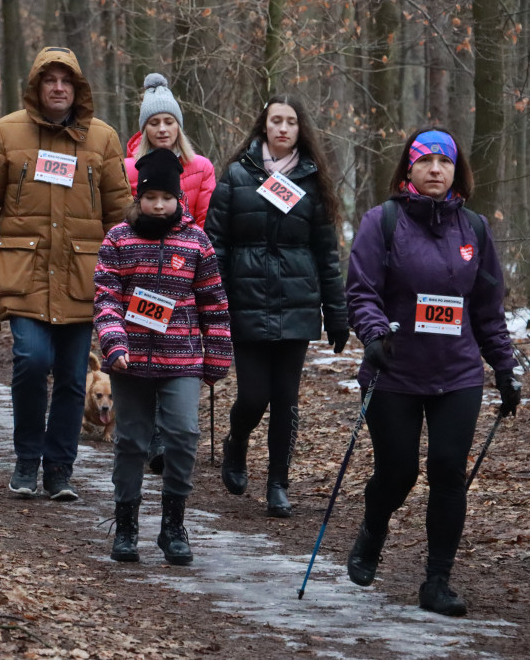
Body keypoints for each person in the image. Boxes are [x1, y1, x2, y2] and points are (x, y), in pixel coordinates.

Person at [344, 127, 521, 616]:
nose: (435, 170)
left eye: (444, 163)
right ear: (409, 169)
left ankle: (437, 581)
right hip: (395, 371)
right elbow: (361, 291)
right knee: (397, 473)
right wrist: (375, 334)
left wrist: (505, 370)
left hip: (458, 374)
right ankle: (372, 529)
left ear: (455, 171)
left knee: (447, 470)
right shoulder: (382, 222)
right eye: (425, 162)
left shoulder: (475, 231)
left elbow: (488, 310)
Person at [0, 46, 133, 501]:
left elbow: (120, 219)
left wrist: (127, 282)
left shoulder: (103, 139)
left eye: (66, 81)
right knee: (32, 361)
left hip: (82, 278)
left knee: (75, 377)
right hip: (23, 273)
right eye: (49, 80)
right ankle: (26, 461)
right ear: (37, 86)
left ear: (77, 88)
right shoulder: (4, 133)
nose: (58, 88)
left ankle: (59, 470)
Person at [204, 94, 349, 518]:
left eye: (291, 121)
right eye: (275, 121)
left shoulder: (312, 180)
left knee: (285, 399)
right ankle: (236, 442)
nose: (283, 128)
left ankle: (277, 483)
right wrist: (214, 301)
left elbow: (327, 252)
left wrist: (336, 313)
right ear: (263, 127)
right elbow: (217, 243)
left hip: (297, 303)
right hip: (245, 302)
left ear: (300, 129)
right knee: (253, 396)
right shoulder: (235, 175)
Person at [93, 148, 232, 564]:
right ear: (139, 197)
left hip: (182, 358)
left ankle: (173, 525)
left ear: (178, 199)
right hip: (129, 362)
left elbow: (214, 302)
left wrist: (218, 355)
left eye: (166, 198)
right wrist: (114, 342)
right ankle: (127, 525)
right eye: (151, 197)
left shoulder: (196, 242)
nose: (158, 205)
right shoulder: (119, 238)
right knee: (131, 441)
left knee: (184, 434)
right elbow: (106, 298)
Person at [124, 72, 217, 475]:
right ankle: (149, 433)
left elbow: (206, 218)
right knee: (145, 345)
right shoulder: (128, 167)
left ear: (179, 125)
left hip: (185, 267)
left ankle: (168, 429)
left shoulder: (200, 167)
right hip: (140, 269)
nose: (162, 129)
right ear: (144, 127)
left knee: (176, 350)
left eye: (168, 122)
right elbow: (124, 217)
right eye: (154, 123)